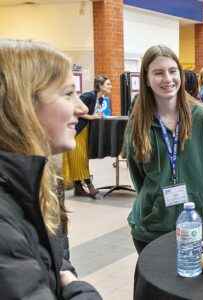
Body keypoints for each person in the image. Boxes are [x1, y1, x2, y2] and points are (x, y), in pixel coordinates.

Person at [0, 39, 101, 299]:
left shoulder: (33, 180)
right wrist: (78, 287)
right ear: (23, 104)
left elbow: (51, 257)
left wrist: (62, 273)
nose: (82, 108)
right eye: (68, 94)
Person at [125, 45, 203, 253]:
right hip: (151, 227)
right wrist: (157, 201)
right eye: (158, 73)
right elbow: (138, 177)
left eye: (172, 71)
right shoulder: (138, 123)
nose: (167, 79)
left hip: (195, 223)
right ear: (146, 79)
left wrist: (196, 194)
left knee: (193, 282)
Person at [63, 75, 112, 198]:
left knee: (81, 159)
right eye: (108, 84)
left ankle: (78, 188)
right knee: (79, 159)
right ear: (100, 86)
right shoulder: (88, 96)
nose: (111, 86)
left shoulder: (100, 99)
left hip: (85, 131)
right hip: (77, 131)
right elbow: (74, 110)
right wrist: (91, 117)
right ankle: (90, 186)